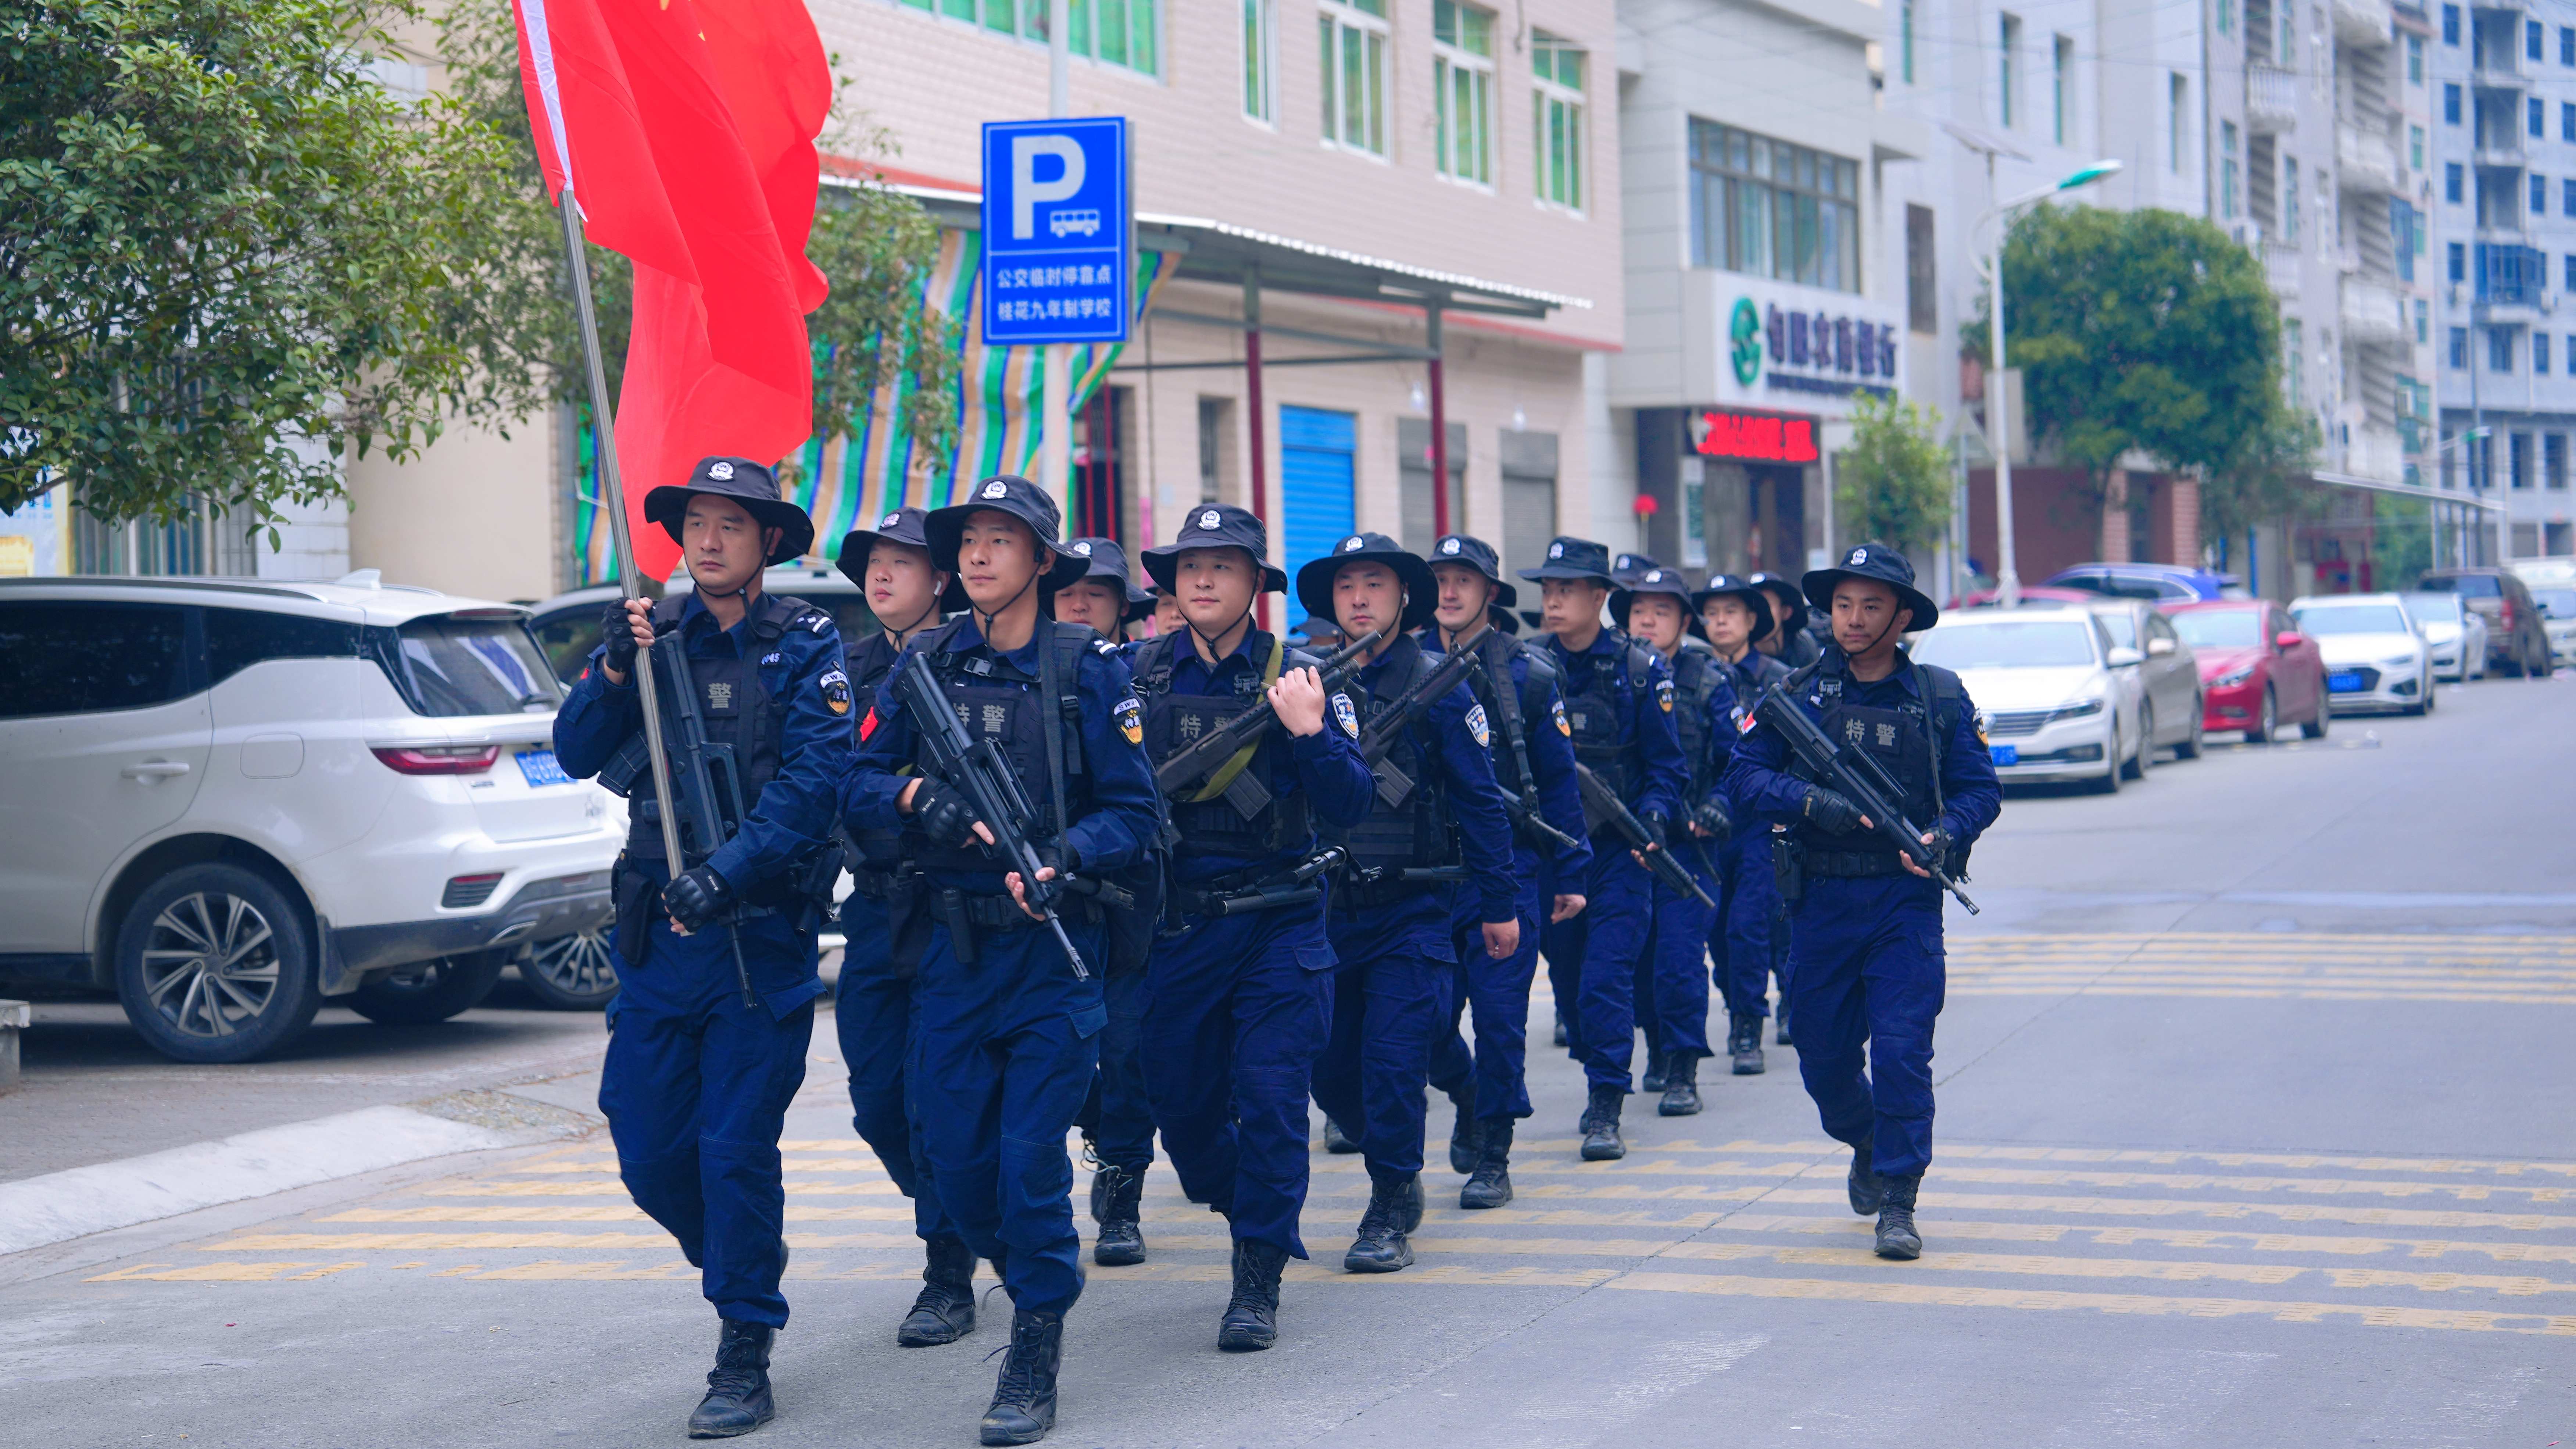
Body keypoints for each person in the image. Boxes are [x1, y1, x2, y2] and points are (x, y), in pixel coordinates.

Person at [841, 476, 1158, 1446]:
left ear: (1042, 561)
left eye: (999, 540)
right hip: (948, 950)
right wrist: (909, 800)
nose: (977, 556)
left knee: (1026, 1164)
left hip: (1053, 957)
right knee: (956, 1160)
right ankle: (1013, 1277)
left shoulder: (1089, 669)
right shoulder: (923, 663)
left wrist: (1068, 858)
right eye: (968, 541)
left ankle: (1034, 1342)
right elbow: (849, 777)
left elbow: (1139, 814)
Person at [552, 456, 848, 1438]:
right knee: (646, 1148)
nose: (709, 539)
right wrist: (607, 668)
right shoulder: (653, 634)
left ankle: (744, 1339)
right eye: (697, 523)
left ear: (769, 541)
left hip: (756, 943)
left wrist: (730, 870)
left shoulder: (806, 645)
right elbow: (575, 750)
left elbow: (816, 781)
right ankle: (732, 1256)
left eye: (732, 523)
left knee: (731, 1146)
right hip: (656, 943)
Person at [1130, 503, 1374, 1350]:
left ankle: (1258, 1271)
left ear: (1253, 584)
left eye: (1223, 566)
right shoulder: (1134, 675)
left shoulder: (1300, 674)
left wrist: (1309, 733)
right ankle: (1252, 1204)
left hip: (1278, 924)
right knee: (1185, 1116)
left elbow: (1350, 803)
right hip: (1177, 932)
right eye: (1189, 566)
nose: (1201, 580)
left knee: (1272, 1101)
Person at [1721, 543, 2001, 1262]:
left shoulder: (1938, 696)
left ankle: (1900, 1201)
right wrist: (1815, 801)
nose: (1852, 619)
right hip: (1820, 898)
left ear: (1902, 617)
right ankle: (1867, 1141)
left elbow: (1981, 792)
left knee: (1905, 1053)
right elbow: (1744, 782)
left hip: (1904, 902)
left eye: (1871, 606)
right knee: (1823, 1057)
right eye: (1843, 604)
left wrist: (1943, 833)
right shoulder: (1796, 697)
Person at [1300, 533, 1519, 1271]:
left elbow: (1482, 802)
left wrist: (1500, 903)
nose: (1358, 598)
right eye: (1345, 587)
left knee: (1393, 1060)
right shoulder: (1310, 685)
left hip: (1412, 908)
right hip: (1329, 909)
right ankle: (1460, 1088)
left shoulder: (1439, 684)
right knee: (1329, 1069)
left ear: (1402, 600)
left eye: (1374, 585)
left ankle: (1391, 1197)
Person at [829, 505, 984, 1348]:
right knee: (878, 1100)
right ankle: (957, 1209)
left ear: (943, 580)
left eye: (903, 562)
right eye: (873, 562)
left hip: (959, 911)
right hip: (875, 908)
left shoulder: (975, 664)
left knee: (939, 1101)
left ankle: (947, 1270)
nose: (882, 575)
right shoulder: (842, 672)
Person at [1421, 534, 1590, 1208]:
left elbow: (1558, 783)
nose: (1451, 591)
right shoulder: (1412, 666)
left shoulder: (1532, 674)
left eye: (1465, 579)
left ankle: (1493, 1149)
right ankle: (1463, 1091)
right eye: (1440, 578)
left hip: (1509, 868)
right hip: (1429, 870)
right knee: (1428, 1020)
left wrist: (1571, 872)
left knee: (1497, 1017)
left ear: (1491, 592)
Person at [1520, 536, 1688, 1161]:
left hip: (1618, 852)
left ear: (1599, 597)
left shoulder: (1638, 670)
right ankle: (1602, 1066)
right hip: (1551, 851)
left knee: (1604, 979)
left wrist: (1651, 819)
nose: (1554, 600)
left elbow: (1667, 767)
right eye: (1547, 590)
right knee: (1567, 982)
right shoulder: (1526, 666)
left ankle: (1605, 1104)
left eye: (1567, 589)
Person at [1049, 536, 1160, 1267]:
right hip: (1045, 898)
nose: (1080, 603)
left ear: (1124, 608)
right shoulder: (1029, 675)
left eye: (1096, 593)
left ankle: (1121, 1192)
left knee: (1125, 1052)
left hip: (1127, 900)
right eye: (1069, 592)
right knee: (1058, 1054)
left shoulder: (1144, 681)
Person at [1610, 567, 1734, 1115]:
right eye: (1640, 611)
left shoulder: (1710, 680)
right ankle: (1657, 1046)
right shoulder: (1614, 672)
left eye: (1662, 612)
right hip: (1623, 846)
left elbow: (1742, 761)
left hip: (1688, 846)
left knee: (1680, 961)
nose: (1649, 621)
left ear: (1685, 621)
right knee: (1633, 962)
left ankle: (1684, 1066)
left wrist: (1719, 807)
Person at [1693, 572, 1791, 1064]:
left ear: (1752, 620)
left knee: (1749, 924)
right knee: (1715, 932)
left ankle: (1748, 1027)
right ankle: (1739, 1003)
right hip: (1708, 824)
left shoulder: (1778, 677)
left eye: (1730, 612)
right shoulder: (1694, 674)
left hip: (1759, 823)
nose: (1720, 622)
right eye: (1712, 614)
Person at [1055, 538, 1155, 648]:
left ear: (1123, 605)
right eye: (1066, 594)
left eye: (1095, 593)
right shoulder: (1035, 663)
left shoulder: (1146, 664)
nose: (1079, 606)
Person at [1749, 571, 1821, 671]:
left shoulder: (1803, 647)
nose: (1757, 615)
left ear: (1785, 613)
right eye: (1751, 607)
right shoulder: (1732, 650)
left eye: (1766, 606)